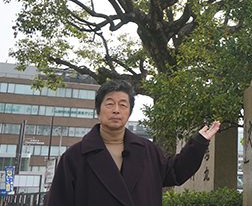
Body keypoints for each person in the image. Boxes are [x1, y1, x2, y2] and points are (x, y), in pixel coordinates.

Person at [44, 80, 220, 206]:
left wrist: (198, 143)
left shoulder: (147, 150)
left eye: (123, 105)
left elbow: (175, 171)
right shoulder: (75, 156)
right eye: (109, 104)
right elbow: (59, 200)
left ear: (129, 112)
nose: (116, 110)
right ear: (98, 110)